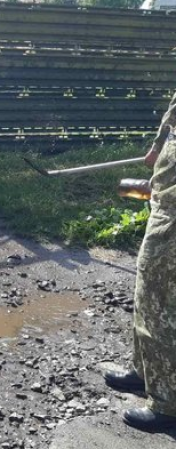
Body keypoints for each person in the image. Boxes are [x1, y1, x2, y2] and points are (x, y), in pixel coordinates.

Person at [103, 92, 176, 431]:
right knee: (147, 292)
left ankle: (168, 403)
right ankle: (145, 371)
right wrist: (158, 146)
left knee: (162, 299)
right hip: (164, 201)